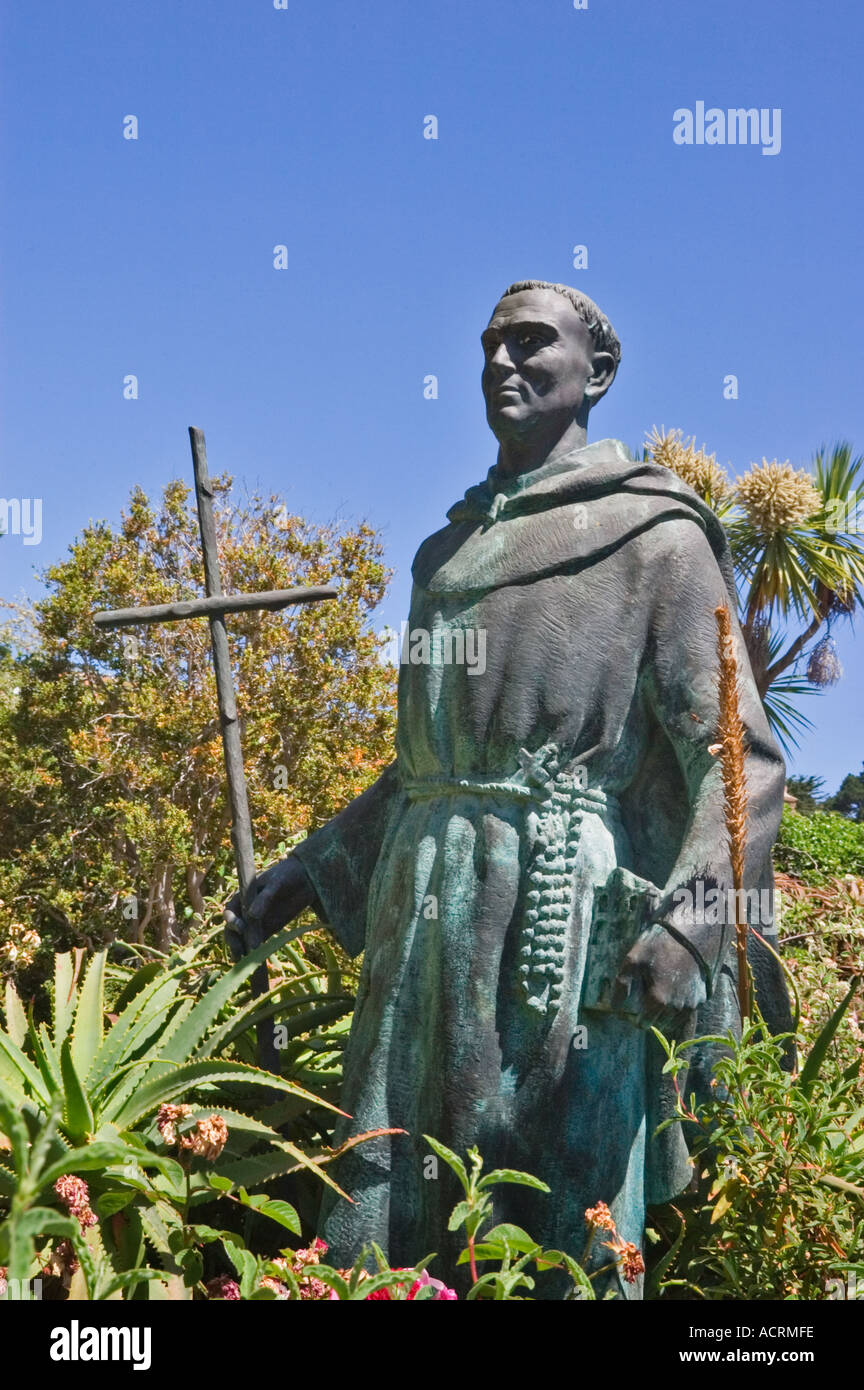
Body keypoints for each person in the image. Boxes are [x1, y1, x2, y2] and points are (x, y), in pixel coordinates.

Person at [226, 281, 790, 1297]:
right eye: (490, 346)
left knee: (556, 1225)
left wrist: (692, 924)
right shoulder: (444, 556)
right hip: (423, 910)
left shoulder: (659, 537)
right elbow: (422, 766)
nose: (501, 364)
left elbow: (738, 758)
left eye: (532, 343)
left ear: (597, 372)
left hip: (562, 920)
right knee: (388, 1190)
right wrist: (311, 869)